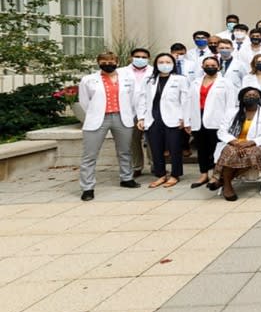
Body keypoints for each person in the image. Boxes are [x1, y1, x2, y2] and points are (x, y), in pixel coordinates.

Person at [76, 52, 141, 201]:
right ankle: (87, 187)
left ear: (117, 62)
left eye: (111, 61)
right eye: (104, 61)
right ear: (98, 62)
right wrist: (95, 112)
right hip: (98, 118)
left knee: (125, 151)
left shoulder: (127, 79)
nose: (107, 63)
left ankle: (126, 178)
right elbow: (84, 101)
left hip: (121, 117)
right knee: (90, 155)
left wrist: (128, 114)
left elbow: (132, 99)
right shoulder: (88, 80)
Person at [209, 87, 261, 201]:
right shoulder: (232, 112)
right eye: (247, 96)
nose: (251, 97)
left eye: (254, 95)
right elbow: (222, 131)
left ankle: (223, 180)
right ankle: (227, 186)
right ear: (241, 99)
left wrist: (251, 143)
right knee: (229, 151)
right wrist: (235, 142)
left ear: (260, 98)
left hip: (257, 145)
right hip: (233, 143)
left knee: (251, 154)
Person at [137, 53, 191, 189]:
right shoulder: (149, 80)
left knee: (174, 148)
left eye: (168, 62)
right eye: (161, 62)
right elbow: (142, 99)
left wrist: (185, 119)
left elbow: (186, 101)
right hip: (153, 118)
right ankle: (160, 174)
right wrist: (141, 118)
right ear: (156, 64)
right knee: (156, 149)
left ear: (173, 64)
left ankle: (175, 175)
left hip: (174, 118)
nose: (164, 65)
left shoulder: (180, 79)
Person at [187, 56, 235, 189]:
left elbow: (231, 105)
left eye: (213, 65)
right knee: (201, 148)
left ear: (219, 67)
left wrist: (228, 123)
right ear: (202, 67)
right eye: (207, 65)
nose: (210, 67)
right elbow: (188, 102)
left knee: (216, 149)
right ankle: (203, 174)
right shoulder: (196, 82)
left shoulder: (225, 83)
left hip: (218, 120)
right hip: (198, 118)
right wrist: (187, 121)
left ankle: (216, 175)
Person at [122, 47, 152, 177]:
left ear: (148, 59)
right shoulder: (121, 72)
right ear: (131, 58)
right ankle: (137, 166)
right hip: (130, 111)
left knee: (152, 141)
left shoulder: (154, 71)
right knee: (133, 141)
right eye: (138, 57)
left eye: (144, 57)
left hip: (150, 111)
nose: (141, 59)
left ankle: (155, 166)